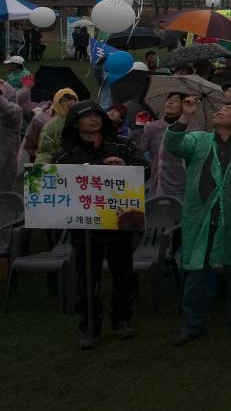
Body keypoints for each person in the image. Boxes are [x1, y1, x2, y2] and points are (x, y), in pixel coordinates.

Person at [55, 100, 148, 349]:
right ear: (75, 123)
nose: (94, 120)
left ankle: (121, 320)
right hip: (84, 228)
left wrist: (125, 168)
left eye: (97, 115)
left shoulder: (122, 145)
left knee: (122, 273)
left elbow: (145, 170)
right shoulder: (66, 154)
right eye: (87, 117)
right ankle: (90, 326)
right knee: (87, 276)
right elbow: (55, 185)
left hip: (119, 222)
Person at [166, 98, 231, 345]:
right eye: (220, 109)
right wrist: (185, 117)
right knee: (194, 272)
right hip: (200, 218)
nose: (220, 111)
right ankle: (192, 324)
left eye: (227, 110)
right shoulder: (199, 140)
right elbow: (173, 144)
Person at [130, 92, 187, 200]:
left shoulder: (192, 128)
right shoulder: (153, 127)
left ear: (184, 106)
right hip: (156, 182)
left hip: (180, 183)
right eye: (168, 99)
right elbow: (138, 148)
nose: (170, 102)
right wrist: (138, 126)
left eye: (176, 100)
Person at [32, 88, 79, 164]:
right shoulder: (51, 126)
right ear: (58, 103)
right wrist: (39, 171)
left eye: (72, 99)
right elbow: (45, 152)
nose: (69, 103)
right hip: (59, 166)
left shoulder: (83, 119)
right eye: (64, 101)